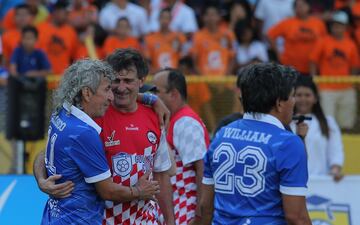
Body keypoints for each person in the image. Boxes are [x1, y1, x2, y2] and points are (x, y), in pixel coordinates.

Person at [34, 49, 175, 225]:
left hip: (144, 220)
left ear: (141, 81)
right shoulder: (92, 119)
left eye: (128, 81)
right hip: (100, 219)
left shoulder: (155, 117)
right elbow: (49, 150)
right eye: (115, 82)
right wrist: (41, 180)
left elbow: (161, 175)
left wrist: (170, 221)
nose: (120, 88)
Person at [201, 63, 312, 225]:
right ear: (280, 103)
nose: (294, 101)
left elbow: (205, 206)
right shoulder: (288, 142)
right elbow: (296, 217)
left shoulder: (221, 134)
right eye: (293, 95)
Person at [152, 68, 210, 225]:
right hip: (177, 206)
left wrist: (199, 215)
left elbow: (203, 168)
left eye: (156, 91)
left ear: (174, 94)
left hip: (186, 208)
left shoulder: (185, 122)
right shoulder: (175, 119)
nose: (152, 96)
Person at [309, 10, 359, 129]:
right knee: (327, 123)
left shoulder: (350, 44)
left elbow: (355, 66)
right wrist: (314, 82)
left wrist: (351, 84)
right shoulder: (323, 41)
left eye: (340, 25)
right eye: (334, 25)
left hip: (346, 88)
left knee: (346, 124)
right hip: (326, 88)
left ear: (345, 27)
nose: (337, 27)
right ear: (331, 26)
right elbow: (313, 62)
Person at [290, 76, 344, 181]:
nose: (303, 99)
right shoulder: (285, 123)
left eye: (307, 95)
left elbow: (336, 151)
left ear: (315, 98)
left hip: (320, 182)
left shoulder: (328, 123)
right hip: (292, 183)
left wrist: (335, 170)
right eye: (299, 95)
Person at [267, 0, 327, 75]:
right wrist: (278, 53)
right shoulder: (287, 22)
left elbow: (325, 42)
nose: (300, 8)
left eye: (302, 5)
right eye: (297, 6)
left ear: (308, 7)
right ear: (294, 9)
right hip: (290, 68)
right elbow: (270, 35)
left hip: (311, 68)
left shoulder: (318, 23)